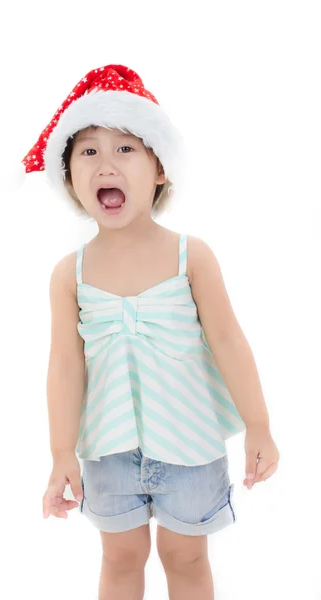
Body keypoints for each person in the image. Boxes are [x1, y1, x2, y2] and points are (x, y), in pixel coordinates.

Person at [21, 64, 280, 599]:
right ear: (69, 177)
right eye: (88, 152)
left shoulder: (191, 257)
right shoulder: (68, 274)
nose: (105, 164)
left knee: (185, 558)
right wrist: (61, 453)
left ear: (159, 170)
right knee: (120, 559)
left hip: (190, 444)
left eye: (126, 149)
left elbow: (229, 342)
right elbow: (65, 366)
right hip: (108, 448)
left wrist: (258, 424)